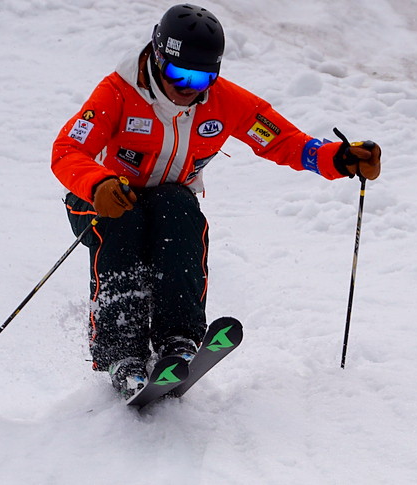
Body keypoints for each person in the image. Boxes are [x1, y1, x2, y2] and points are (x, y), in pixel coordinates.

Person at [51, 3, 381, 399]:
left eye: (202, 76)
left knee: (179, 210)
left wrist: (336, 159)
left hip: (167, 201)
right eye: (178, 73)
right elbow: (67, 148)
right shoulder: (118, 93)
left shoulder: (223, 102)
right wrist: (98, 183)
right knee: (128, 224)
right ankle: (123, 353)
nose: (188, 87)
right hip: (103, 200)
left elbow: (280, 140)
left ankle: (177, 340)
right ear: (158, 58)